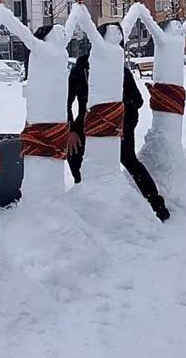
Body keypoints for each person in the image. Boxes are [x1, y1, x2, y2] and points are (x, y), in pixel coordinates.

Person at [67, 23, 171, 222]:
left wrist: (119, 122)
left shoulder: (122, 72)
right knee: (74, 155)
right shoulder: (80, 70)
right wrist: (72, 129)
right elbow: (66, 101)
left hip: (119, 125)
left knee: (130, 161)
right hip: (85, 124)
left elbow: (137, 101)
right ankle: (86, 198)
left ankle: (157, 205)